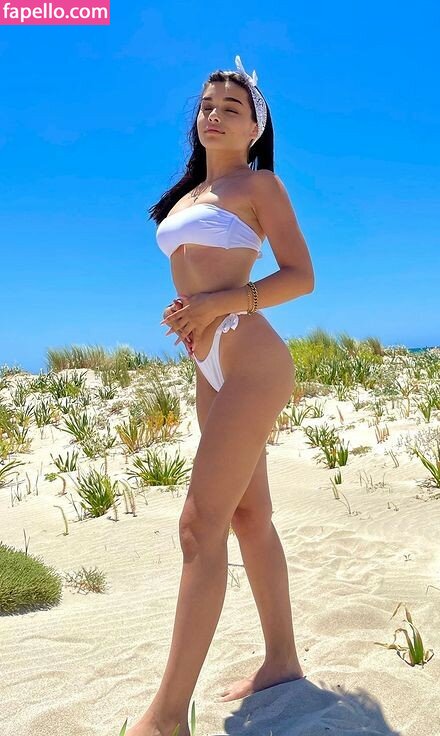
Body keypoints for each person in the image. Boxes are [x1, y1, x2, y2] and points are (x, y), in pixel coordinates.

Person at [128, 55, 315, 736]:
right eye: (206, 105)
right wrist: (191, 310)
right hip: (208, 363)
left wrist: (216, 303)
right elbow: (198, 275)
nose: (213, 114)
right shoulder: (187, 197)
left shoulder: (260, 184)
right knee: (246, 516)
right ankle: (282, 662)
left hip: (250, 357)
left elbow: (301, 276)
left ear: (255, 126)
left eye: (231, 108)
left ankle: (166, 717)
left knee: (197, 525)